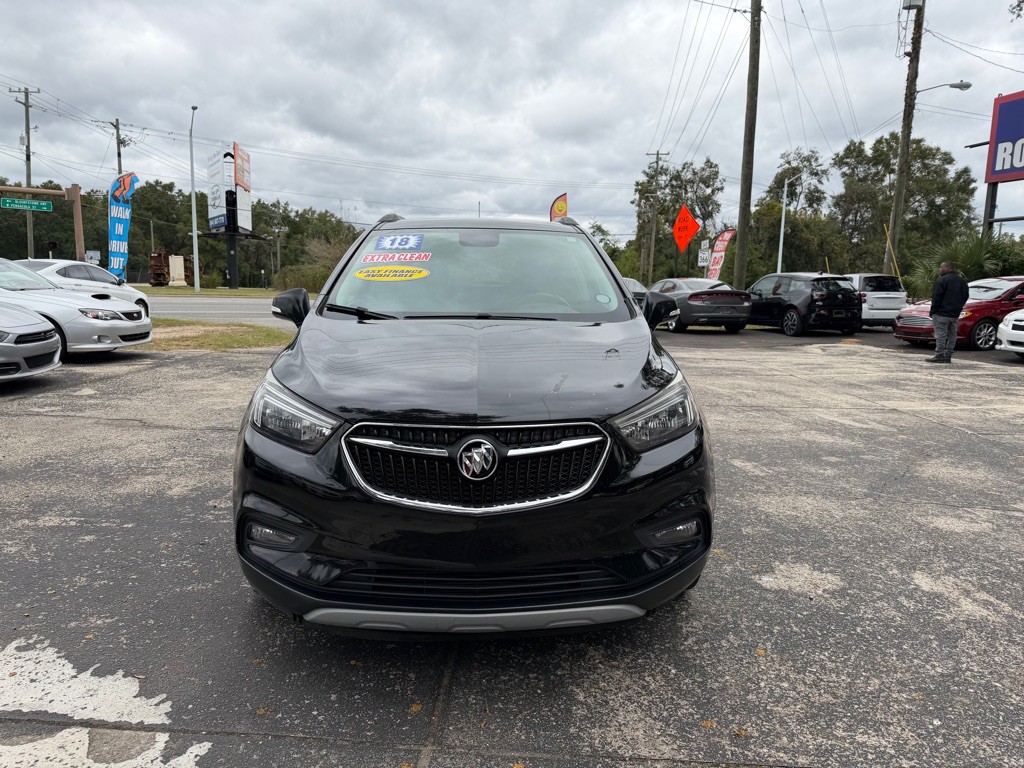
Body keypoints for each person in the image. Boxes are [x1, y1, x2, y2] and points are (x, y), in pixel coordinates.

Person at [928, 261, 969, 363]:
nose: (939, 269)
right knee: (952, 335)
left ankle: (939, 355)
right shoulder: (962, 281)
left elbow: (936, 298)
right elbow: (965, 296)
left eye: (941, 267)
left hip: (941, 313)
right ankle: (948, 356)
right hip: (955, 314)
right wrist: (958, 307)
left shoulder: (942, 280)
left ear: (947, 268)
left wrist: (933, 311)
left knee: (941, 335)